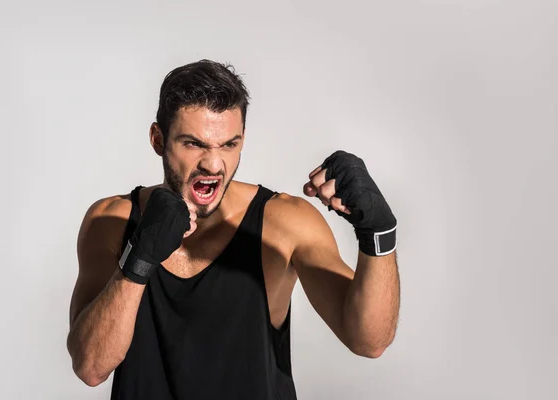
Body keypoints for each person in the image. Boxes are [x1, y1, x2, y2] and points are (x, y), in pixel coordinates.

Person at [66, 59, 400, 400]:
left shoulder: (284, 224)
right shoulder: (111, 222)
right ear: (157, 140)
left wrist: (378, 233)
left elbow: (369, 341)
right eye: (193, 144)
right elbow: (91, 366)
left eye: (229, 144)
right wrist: (140, 257)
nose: (213, 164)